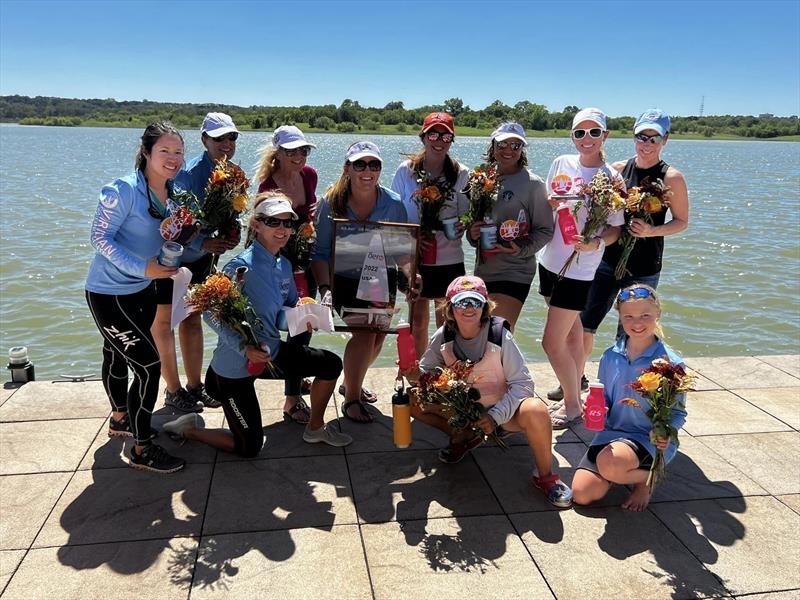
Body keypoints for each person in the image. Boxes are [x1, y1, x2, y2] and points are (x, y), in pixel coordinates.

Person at [161, 193, 352, 456]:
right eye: (274, 222)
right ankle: (189, 428)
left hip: (269, 354)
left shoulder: (284, 263)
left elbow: (282, 317)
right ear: (257, 225)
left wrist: (304, 317)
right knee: (249, 447)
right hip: (234, 369)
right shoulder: (239, 267)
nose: (283, 230)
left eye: (288, 223)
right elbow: (210, 315)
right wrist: (245, 349)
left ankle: (315, 428)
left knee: (330, 364)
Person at [400, 275, 572, 508]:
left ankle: (546, 477)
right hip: (465, 410)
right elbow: (427, 373)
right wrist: (414, 375)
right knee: (413, 399)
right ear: (450, 308)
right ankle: (462, 436)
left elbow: (523, 384)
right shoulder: (443, 335)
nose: (469, 308)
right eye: (462, 302)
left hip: (504, 413)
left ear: (485, 307)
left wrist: (494, 416)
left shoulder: (500, 335)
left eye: (475, 302)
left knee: (537, 409)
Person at [85, 121, 186, 473]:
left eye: (178, 152)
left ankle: (120, 419)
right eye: (165, 151)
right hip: (107, 292)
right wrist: (144, 268)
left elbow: (162, 237)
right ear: (146, 152)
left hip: (140, 291)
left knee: (115, 354)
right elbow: (99, 238)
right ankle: (142, 449)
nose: (173, 158)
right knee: (148, 365)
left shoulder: (171, 195)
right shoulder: (122, 190)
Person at [575, 108, 689, 389]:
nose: (646, 143)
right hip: (607, 261)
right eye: (642, 136)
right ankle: (575, 378)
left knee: (632, 331)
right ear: (633, 137)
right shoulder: (616, 170)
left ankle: (624, 386)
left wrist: (652, 230)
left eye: (654, 138)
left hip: (644, 267)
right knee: (584, 324)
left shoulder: (671, 177)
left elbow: (682, 222)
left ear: (665, 140)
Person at [311, 141, 411, 423]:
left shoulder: (393, 203)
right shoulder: (330, 203)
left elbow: (401, 250)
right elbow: (318, 253)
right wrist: (325, 289)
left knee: (377, 336)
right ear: (347, 169)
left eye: (374, 165)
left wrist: (410, 273)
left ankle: (350, 382)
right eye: (360, 164)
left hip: (382, 278)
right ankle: (352, 399)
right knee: (365, 334)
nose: (367, 171)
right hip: (343, 277)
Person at [537, 108, 624, 429]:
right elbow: (550, 197)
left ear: (605, 136)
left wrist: (595, 243)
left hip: (579, 270)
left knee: (550, 341)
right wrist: (558, 204)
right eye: (579, 133)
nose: (586, 139)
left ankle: (573, 407)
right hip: (548, 261)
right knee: (572, 336)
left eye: (593, 132)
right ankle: (574, 394)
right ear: (572, 136)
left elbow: (616, 229)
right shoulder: (561, 163)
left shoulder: (611, 179)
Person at [572, 284, 686, 511]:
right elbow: (603, 397)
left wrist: (665, 432)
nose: (637, 323)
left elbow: (678, 413)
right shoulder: (610, 356)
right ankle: (622, 470)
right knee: (582, 494)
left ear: (658, 315)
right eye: (629, 317)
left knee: (609, 464)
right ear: (620, 318)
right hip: (612, 435)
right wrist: (593, 406)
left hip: (647, 438)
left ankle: (647, 479)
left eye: (645, 315)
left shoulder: (670, 364)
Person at [156, 112, 242, 413]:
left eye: (231, 137)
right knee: (167, 324)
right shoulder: (189, 173)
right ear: (204, 139)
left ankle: (195, 386)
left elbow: (233, 214)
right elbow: (173, 220)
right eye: (218, 138)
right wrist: (200, 241)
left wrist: (233, 233)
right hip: (175, 260)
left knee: (192, 320)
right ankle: (172, 389)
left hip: (205, 261)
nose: (226, 144)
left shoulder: (233, 172)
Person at [254, 125, 319, 424]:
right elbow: (264, 232)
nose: (298, 156)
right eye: (291, 151)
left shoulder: (310, 175)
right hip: (280, 262)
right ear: (277, 152)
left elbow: (309, 213)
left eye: (303, 150)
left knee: (305, 323)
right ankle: (292, 400)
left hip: (306, 258)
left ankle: (294, 378)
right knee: (294, 323)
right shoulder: (268, 186)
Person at [391, 112, 470, 356]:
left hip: (449, 259)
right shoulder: (406, 171)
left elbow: (466, 216)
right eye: (433, 134)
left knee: (447, 321)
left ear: (452, 139)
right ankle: (417, 373)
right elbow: (394, 215)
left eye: (446, 135)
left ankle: (444, 375)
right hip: (413, 257)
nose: (439, 140)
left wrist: (459, 226)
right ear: (423, 137)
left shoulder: (461, 173)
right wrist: (413, 238)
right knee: (418, 322)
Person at [466, 122, 553, 330]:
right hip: (484, 270)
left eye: (516, 145)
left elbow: (545, 230)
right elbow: (472, 224)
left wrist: (520, 248)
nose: (508, 150)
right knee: (482, 331)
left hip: (516, 270)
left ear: (522, 150)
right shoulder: (481, 179)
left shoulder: (533, 183)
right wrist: (472, 233)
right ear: (493, 145)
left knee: (497, 330)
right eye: (503, 144)